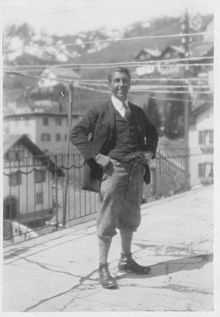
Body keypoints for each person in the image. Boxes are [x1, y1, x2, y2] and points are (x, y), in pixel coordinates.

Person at [71, 67, 158, 289]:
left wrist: (149, 152)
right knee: (108, 219)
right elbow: (77, 134)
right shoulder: (99, 111)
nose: (121, 85)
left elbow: (152, 132)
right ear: (109, 84)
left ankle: (126, 259)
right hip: (113, 170)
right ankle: (103, 267)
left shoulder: (137, 112)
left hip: (136, 170)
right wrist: (97, 156)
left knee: (131, 216)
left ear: (130, 84)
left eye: (125, 81)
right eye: (117, 81)